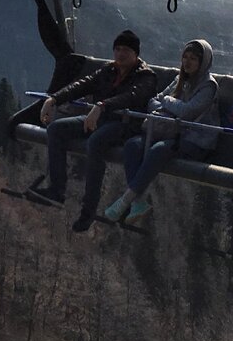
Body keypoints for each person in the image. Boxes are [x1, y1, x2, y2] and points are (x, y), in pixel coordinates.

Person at [31, 29, 158, 232]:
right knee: (56, 129)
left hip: (125, 125)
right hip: (100, 119)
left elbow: (132, 97)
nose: (120, 53)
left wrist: (101, 106)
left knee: (95, 142)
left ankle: (88, 211)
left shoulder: (145, 76)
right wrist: (54, 99)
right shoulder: (109, 70)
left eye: (125, 49)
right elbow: (82, 85)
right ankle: (57, 190)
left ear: (135, 53)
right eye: (117, 49)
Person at [103, 38, 219, 223]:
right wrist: (169, 104)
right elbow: (152, 102)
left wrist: (167, 101)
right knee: (133, 145)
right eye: (185, 57)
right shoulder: (180, 80)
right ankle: (138, 202)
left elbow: (188, 112)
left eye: (193, 59)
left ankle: (125, 200)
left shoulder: (208, 86)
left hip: (194, 139)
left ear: (202, 62)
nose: (187, 62)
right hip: (169, 132)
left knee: (158, 150)